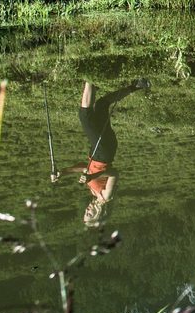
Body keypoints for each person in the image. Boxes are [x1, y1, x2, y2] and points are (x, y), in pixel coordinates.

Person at [52, 78, 149, 227]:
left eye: (86, 212)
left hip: (98, 154)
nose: (87, 209)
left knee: (102, 105)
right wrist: (93, 176)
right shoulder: (106, 196)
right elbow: (114, 173)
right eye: (89, 214)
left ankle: (137, 86)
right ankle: (89, 77)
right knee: (85, 117)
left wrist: (63, 172)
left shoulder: (94, 193)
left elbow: (86, 167)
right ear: (99, 214)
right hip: (104, 152)